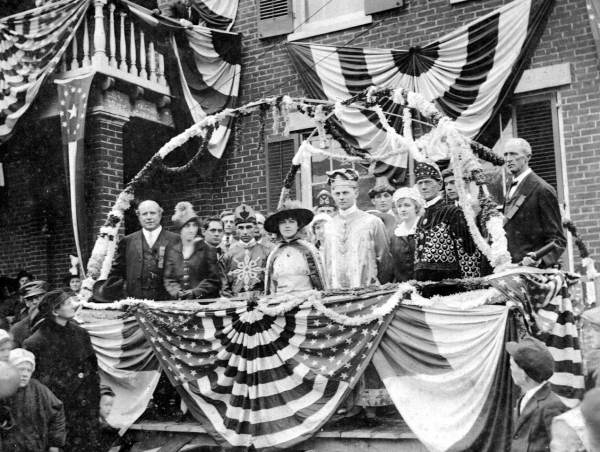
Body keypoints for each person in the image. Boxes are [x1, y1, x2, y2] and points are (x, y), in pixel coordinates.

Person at [24, 290, 102, 451]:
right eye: (67, 303)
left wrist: (94, 396)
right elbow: (39, 383)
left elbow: (92, 367)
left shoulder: (80, 333)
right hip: (61, 412)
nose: (73, 305)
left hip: (87, 409)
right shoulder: (35, 342)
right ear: (55, 311)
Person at [321, 168, 392, 289]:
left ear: (356, 193)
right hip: (336, 295)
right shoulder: (328, 226)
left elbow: (385, 261)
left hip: (367, 293)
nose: (341, 197)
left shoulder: (372, 222)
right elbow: (326, 262)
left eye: (345, 192)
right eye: (337, 194)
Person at [413, 161, 482, 282]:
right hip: (425, 286)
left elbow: (468, 252)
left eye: (428, 182)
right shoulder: (421, 219)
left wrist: (470, 285)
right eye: (420, 183)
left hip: (449, 286)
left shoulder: (452, 213)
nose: (423, 187)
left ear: (440, 185)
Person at [98, 199, 179, 301]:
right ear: (139, 217)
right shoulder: (127, 241)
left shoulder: (175, 239)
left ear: (160, 214)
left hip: (167, 302)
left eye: (152, 213)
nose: (149, 217)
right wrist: (105, 292)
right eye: (144, 214)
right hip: (135, 303)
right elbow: (117, 272)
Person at [502, 138, 566, 267]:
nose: (508, 159)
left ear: (527, 157)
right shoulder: (510, 187)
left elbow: (558, 239)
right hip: (511, 268)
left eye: (514, 154)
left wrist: (541, 260)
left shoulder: (542, 189)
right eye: (506, 154)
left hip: (534, 272)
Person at [506, 336, 568, 452]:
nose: (510, 370)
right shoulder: (525, 397)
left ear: (524, 374)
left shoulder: (552, 405)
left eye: (512, 365)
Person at [1, 348, 66, 452]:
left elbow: (57, 412)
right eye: (20, 369)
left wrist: (55, 443)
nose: (25, 374)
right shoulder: (2, 389)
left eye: (28, 370)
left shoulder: (38, 389)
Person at [263, 200, 326, 295]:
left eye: (291, 222)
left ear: (298, 225)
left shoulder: (309, 250)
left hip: (306, 301)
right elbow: (270, 287)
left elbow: (320, 284)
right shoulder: (274, 253)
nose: (287, 226)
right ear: (278, 227)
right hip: (280, 302)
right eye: (282, 222)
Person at [163, 202, 220, 300]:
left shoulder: (207, 250)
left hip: (203, 302)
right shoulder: (173, 251)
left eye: (194, 225)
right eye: (187, 226)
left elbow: (213, 280)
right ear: (180, 229)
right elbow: (169, 279)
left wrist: (196, 292)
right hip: (180, 303)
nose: (191, 230)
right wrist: (177, 292)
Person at [221, 204, 271, 296]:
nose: (245, 232)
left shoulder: (267, 252)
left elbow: (272, 282)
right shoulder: (228, 255)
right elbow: (224, 287)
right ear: (236, 229)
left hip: (262, 301)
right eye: (241, 228)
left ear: (255, 228)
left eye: (248, 227)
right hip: (236, 303)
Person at [390, 187, 425, 282]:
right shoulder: (396, 234)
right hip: (402, 286)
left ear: (416, 207)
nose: (403, 209)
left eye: (407, 205)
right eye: (399, 206)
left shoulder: (424, 229)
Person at [10, 280, 48, 347]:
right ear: (26, 302)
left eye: (39, 297)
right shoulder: (18, 329)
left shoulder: (62, 321)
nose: (35, 302)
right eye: (30, 299)